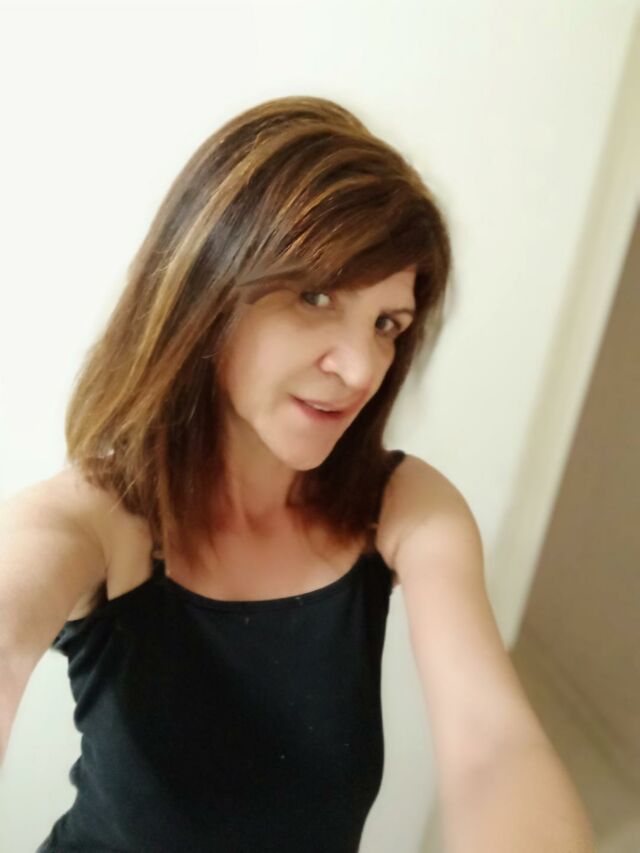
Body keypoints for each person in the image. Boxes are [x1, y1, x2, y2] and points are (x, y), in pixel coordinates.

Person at [1, 96, 594, 853]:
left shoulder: (403, 508)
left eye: (387, 324)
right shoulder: (98, 519)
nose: (361, 369)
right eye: (317, 296)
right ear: (207, 285)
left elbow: (493, 750)